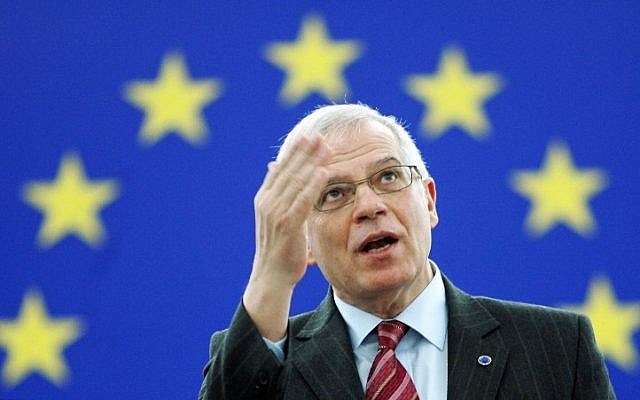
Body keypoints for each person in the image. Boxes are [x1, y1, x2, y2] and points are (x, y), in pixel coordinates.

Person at [198, 104, 615, 399]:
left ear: (430, 201)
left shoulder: (558, 348)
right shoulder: (263, 366)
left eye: (389, 176)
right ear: (304, 238)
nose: (369, 206)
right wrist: (271, 277)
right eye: (335, 193)